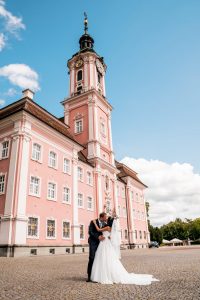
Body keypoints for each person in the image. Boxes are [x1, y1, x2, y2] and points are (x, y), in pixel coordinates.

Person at [90, 216, 159, 285]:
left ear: (108, 222)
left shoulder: (107, 227)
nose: (106, 220)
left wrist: (94, 222)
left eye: (107, 220)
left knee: (104, 258)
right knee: (108, 259)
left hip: (104, 243)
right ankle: (109, 274)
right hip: (106, 242)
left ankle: (104, 275)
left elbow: (98, 230)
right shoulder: (110, 228)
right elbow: (109, 236)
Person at [87, 212, 111, 282]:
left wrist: (108, 236)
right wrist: (98, 237)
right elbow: (90, 232)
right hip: (93, 242)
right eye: (105, 217)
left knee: (99, 259)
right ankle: (89, 276)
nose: (106, 218)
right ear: (101, 217)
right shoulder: (93, 222)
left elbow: (106, 232)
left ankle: (98, 276)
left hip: (101, 244)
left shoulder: (105, 224)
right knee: (92, 257)